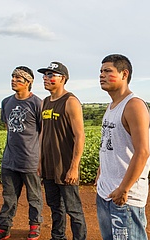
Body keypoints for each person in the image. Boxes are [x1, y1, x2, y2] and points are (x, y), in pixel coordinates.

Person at [95, 54, 150, 240]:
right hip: (106, 193)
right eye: (101, 71)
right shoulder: (112, 106)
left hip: (125, 198)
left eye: (107, 71)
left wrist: (124, 189)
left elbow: (142, 152)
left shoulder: (133, 105)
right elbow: (110, 144)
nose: (101, 75)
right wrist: (101, 172)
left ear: (124, 74)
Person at [0, 66, 43, 240]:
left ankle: (35, 226)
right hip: (10, 160)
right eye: (13, 77)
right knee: (9, 198)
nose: (14, 80)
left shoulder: (37, 104)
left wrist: (40, 158)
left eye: (19, 78)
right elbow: (8, 128)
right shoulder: (6, 102)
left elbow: (43, 132)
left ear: (28, 83)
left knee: (34, 197)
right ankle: (3, 227)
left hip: (31, 160)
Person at [37, 61, 87, 240]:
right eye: (45, 75)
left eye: (51, 75)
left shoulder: (71, 101)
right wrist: (39, 161)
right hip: (49, 166)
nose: (46, 78)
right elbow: (43, 133)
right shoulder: (45, 102)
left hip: (65, 165)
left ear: (63, 79)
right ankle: (58, 237)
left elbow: (80, 136)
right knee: (55, 207)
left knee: (73, 209)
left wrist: (74, 167)